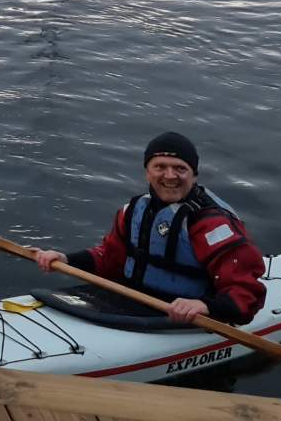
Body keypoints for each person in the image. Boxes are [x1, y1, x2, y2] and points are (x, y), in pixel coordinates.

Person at [35, 132, 266, 326]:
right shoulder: (133, 210)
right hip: (132, 301)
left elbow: (247, 293)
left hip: (185, 317)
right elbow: (110, 258)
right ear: (148, 171)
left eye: (180, 168)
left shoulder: (211, 225)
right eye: (160, 167)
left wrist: (205, 306)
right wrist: (65, 260)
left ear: (194, 175)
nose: (169, 176)